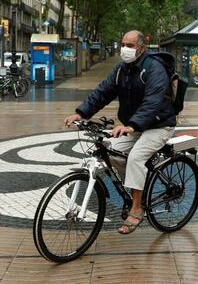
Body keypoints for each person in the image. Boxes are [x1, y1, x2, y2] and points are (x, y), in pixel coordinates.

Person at [64, 30, 176, 234]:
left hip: (159, 125)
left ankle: (136, 208)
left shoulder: (154, 68)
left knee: (135, 158)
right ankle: (137, 188)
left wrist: (131, 125)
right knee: (111, 151)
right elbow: (103, 92)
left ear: (141, 48)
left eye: (130, 45)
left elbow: (152, 102)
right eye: (123, 44)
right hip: (135, 126)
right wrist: (81, 113)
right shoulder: (121, 69)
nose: (125, 48)